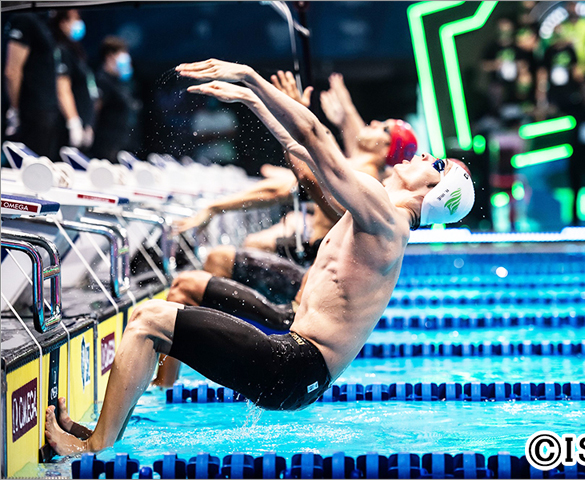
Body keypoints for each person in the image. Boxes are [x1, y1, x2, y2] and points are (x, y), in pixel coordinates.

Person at [44, 57, 474, 454]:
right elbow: (307, 157)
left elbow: (316, 136)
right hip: (296, 364)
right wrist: (257, 103)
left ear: (434, 193)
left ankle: (93, 449)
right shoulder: (381, 211)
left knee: (149, 320)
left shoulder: (386, 218)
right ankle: (100, 435)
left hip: (295, 365)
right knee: (158, 314)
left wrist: (249, 78)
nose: (423, 157)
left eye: (435, 165)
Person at [151, 72, 419, 387]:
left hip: (306, 287)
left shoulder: (363, 178)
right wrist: (332, 115)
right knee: (240, 252)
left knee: (219, 262)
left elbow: (301, 177)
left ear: (388, 148)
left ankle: (174, 376)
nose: (371, 125)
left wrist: (292, 118)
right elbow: (310, 164)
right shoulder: (361, 174)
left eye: (382, 128)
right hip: (309, 282)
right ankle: (203, 350)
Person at [3, 12, 61, 160]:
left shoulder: (44, 25)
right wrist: (14, 109)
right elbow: (12, 70)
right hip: (31, 111)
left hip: (45, 112)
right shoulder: (24, 19)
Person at [51, 9, 97, 152]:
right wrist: (73, 122)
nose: (79, 23)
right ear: (63, 23)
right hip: (66, 125)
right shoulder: (61, 50)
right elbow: (62, 88)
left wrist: (88, 124)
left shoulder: (77, 52)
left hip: (83, 124)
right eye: (74, 19)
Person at [91, 36, 137, 163]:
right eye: (123, 55)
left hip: (119, 143)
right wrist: (88, 130)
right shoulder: (102, 80)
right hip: (105, 143)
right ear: (110, 57)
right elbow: (95, 109)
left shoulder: (119, 83)